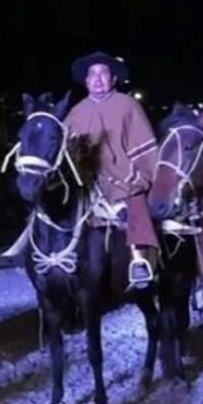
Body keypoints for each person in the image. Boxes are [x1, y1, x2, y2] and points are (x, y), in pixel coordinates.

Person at [62, 51, 159, 288]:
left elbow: (144, 143)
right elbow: (65, 148)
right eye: (92, 75)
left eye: (103, 73)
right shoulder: (76, 112)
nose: (97, 79)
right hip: (89, 182)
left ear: (113, 79)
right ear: (86, 81)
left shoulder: (127, 105)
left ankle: (139, 261)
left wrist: (142, 176)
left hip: (124, 180)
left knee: (135, 204)